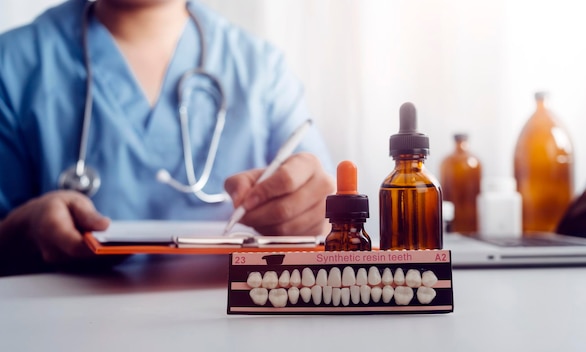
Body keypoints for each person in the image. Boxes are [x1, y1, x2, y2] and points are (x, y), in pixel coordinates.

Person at [0, 0, 335, 276]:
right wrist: (20, 232)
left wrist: (313, 212)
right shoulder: (13, 63)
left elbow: (322, 206)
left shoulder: (261, 69)